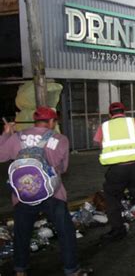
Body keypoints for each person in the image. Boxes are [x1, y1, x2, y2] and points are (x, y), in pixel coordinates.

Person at [0, 107, 90, 276]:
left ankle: (20, 269)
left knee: (22, 233)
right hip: (52, 194)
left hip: (23, 195)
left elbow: (0, 155)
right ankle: (71, 269)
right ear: (51, 122)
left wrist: (6, 134)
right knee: (65, 231)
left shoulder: (17, 137)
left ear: (35, 120)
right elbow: (63, 168)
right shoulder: (60, 139)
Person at [94, 102, 135, 242]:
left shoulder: (104, 127)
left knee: (112, 199)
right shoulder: (134, 122)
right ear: (124, 112)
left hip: (116, 170)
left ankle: (118, 230)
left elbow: (99, 143)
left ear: (110, 114)